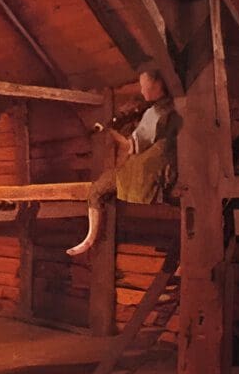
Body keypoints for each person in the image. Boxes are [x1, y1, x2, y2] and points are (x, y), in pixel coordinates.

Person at [67, 68, 181, 256]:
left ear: (157, 86)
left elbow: (131, 146)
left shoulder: (157, 114)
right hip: (159, 165)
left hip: (150, 168)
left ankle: (89, 239)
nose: (143, 91)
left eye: (145, 87)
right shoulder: (160, 108)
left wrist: (111, 132)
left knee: (97, 189)